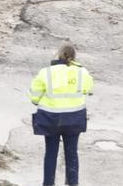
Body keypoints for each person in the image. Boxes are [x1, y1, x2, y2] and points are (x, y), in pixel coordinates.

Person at [30, 43, 94, 186]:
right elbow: (89, 89)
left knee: (51, 153)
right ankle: (72, 183)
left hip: (50, 118)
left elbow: (34, 96)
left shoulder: (46, 72)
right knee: (72, 154)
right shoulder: (81, 72)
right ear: (74, 58)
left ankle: (48, 183)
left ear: (58, 55)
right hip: (74, 118)